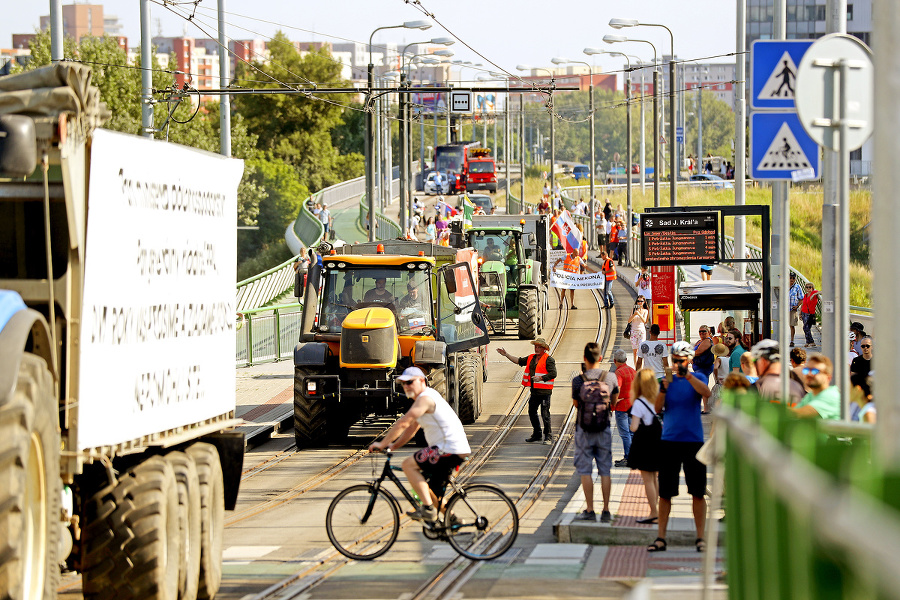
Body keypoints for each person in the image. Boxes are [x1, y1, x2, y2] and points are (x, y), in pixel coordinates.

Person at [368, 367, 471, 523]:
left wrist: (382, 444)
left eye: (410, 382)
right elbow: (412, 428)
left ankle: (429, 510)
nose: (406, 386)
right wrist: (394, 446)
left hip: (447, 449)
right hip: (452, 449)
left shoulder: (425, 399)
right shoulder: (426, 398)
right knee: (427, 491)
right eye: (403, 384)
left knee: (408, 465)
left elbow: (403, 423)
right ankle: (452, 519)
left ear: (422, 381)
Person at [648, 341, 711, 553]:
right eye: (675, 361)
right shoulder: (666, 380)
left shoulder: (698, 377)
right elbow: (657, 407)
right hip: (670, 441)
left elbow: (707, 394)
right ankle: (661, 537)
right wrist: (664, 389)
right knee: (665, 493)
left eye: (681, 361)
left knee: (697, 492)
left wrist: (688, 375)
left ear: (689, 360)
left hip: (693, 441)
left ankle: (701, 537)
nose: (677, 364)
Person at [571, 342, 619, 522]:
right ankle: (606, 510)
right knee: (605, 470)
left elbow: (576, 404)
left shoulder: (578, 380)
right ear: (600, 358)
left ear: (584, 359)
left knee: (585, 471)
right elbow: (614, 402)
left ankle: (590, 510)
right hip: (604, 427)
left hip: (583, 430)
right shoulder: (610, 378)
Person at [497, 338, 557, 444]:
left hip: (545, 393)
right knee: (532, 412)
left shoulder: (549, 360)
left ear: (544, 349)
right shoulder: (531, 358)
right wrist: (506, 355)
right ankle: (537, 433)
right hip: (534, 391)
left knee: (545, 414)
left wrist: (541, 378)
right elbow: (518, 361)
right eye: (535, 346)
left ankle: (548, 435)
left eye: (539, 347)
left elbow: (553, 374)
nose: (536, 349)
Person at [628, 368, 662, 524]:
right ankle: (659, 511)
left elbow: (634, 427)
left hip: (645, 444)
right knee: (655, 478)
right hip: (658, 442)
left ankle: (653, 512)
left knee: (647, 480)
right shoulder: (658, 398)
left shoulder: (639, 402)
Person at [750, 339, 805, 406]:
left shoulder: (758, 387)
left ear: (762, 361)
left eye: (755, 361)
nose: (754, 365)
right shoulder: (797, 386)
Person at [792, 354, 841, 420]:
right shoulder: (811, 395)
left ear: (828, 378)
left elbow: (798, 413)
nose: (809, 374)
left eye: (815, 371)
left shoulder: (831, 395)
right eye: (807, 370)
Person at [612, 350, 635, 468]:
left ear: (615, 361)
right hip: (633, 406)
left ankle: (628, 458)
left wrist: (613, 403)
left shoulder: (619, 373)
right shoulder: (633, 371)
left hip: (622, 407)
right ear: (626, 360)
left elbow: (617, 389)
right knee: (631, 433)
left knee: (625, 433)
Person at [691, 326, 715, 396]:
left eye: (704, 331)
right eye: (700, 331)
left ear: (708, 332)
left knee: (702, 389)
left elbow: (698, 352)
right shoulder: (699, 341)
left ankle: (706, 406)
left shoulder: (707, 341)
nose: (701, 333)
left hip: (704, 368)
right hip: (698, 367)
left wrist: (689, 355)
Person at [629, 296, 649, 364]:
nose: (639, 303)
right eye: (638, 301)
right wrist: (634, 314)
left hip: (641, 332)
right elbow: (629, 321)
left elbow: (644, 321)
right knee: (635, 351)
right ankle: (636, 368)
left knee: (641, 351)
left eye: (641, 301)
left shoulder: (645, 311)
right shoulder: (634, 309)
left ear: (644, 302)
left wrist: (639, 314)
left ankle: (641, 366)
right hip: (634, 331)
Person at [800, 283, 820, 347]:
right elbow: (803, 304)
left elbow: (823, 292)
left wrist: (814, 294)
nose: (808, 288)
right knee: (806, 328)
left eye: (810, 287)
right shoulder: (805, 295)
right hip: (804, 312)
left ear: (812, 288)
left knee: (806, 327)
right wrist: (800, 313)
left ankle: (811, 341)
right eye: (807, 287)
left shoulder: (814, 292)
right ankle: (808, 342)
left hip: (810, 313)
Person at [787, 273, 804, 347]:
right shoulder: (783, 285)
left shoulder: (797, 287)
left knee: (792, 325)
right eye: (790, 278)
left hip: (792, 309)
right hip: (783, 309)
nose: (792, 279)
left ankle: (792, 340)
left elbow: (801, 299)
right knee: (782, 325)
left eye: (793, 278)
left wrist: (797, 306)